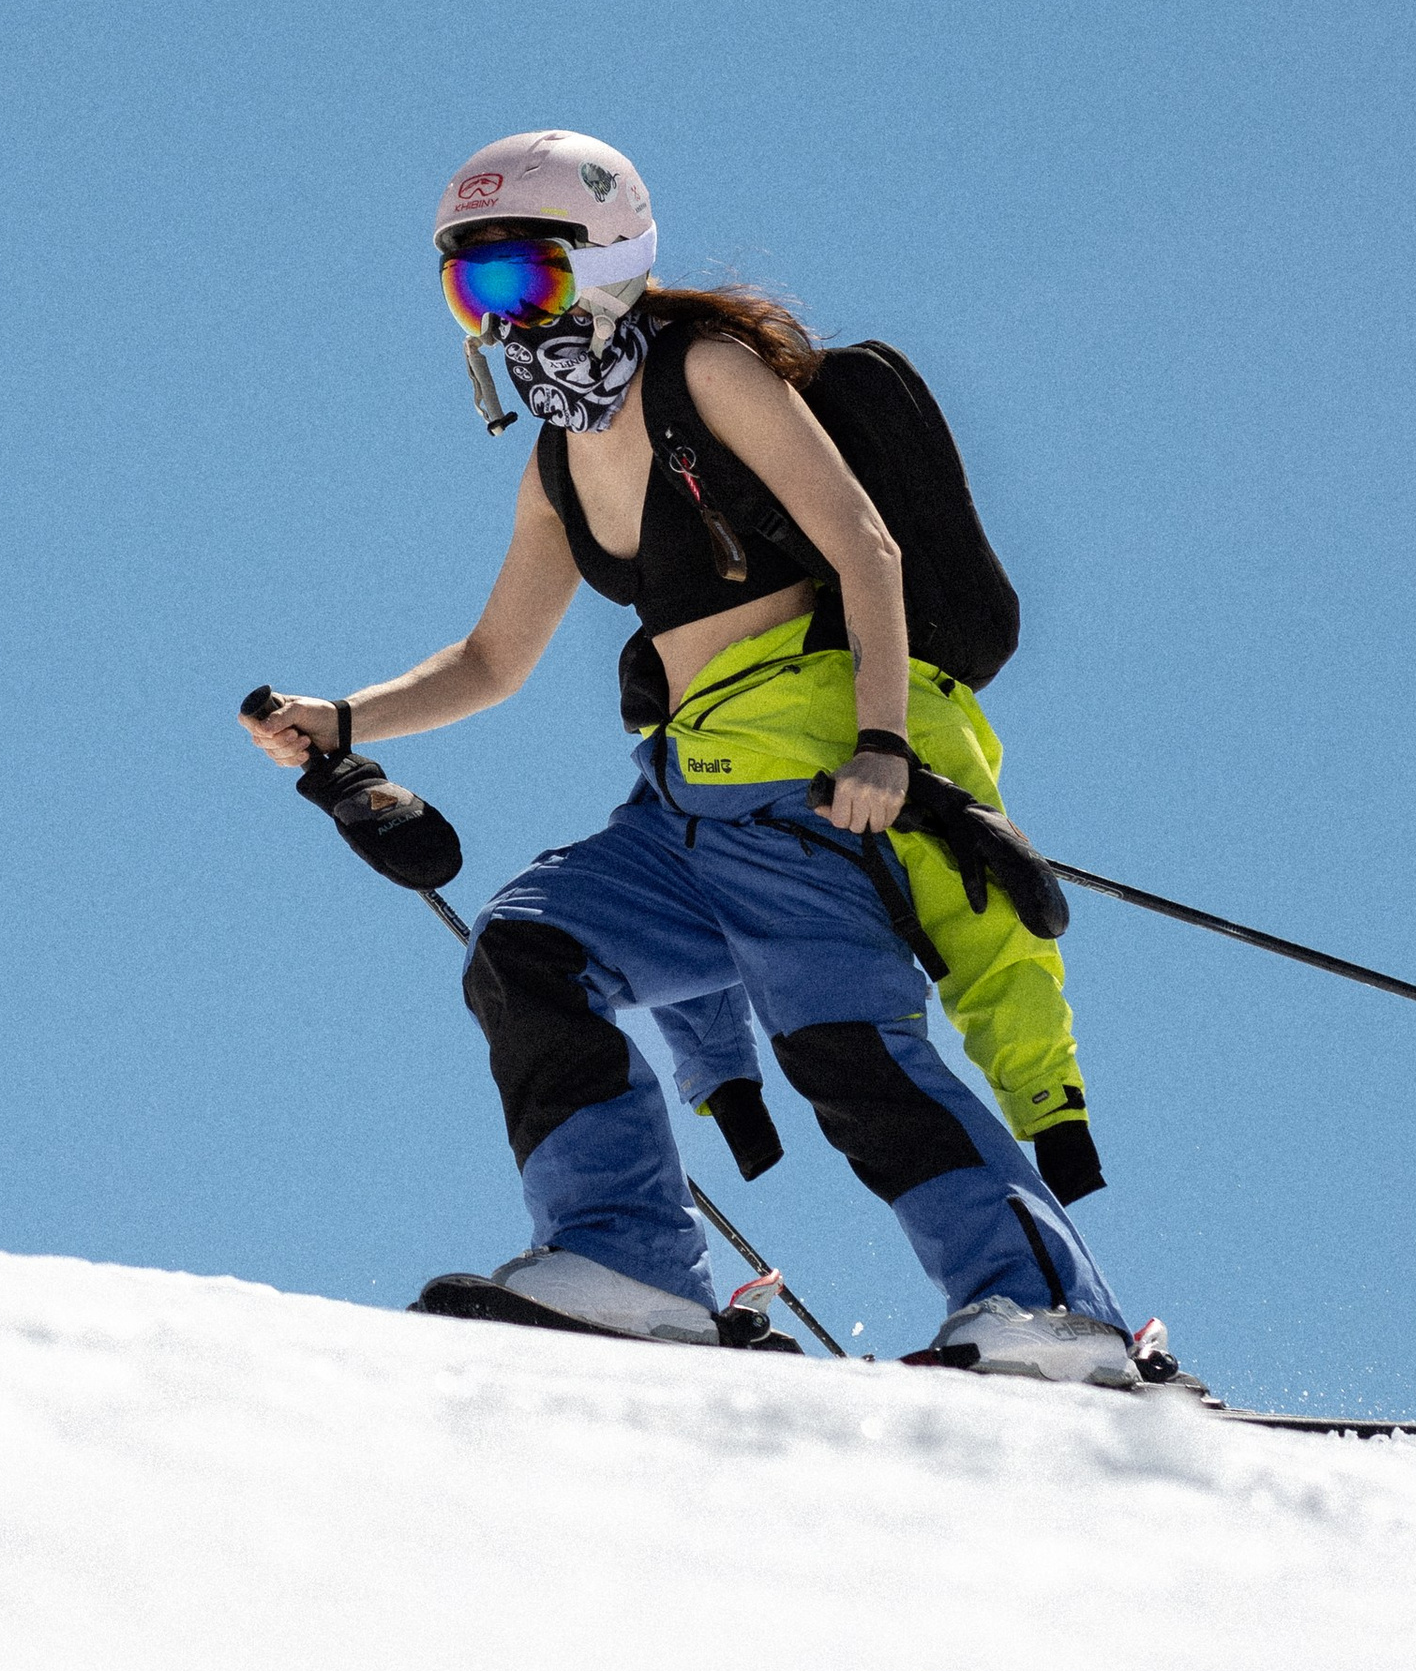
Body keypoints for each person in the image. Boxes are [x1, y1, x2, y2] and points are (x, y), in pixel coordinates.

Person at [245, 127, 1153, 1386]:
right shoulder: (560, 454)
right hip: (682, 806)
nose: (501, 316)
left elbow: (865, 548)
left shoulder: (705, 368)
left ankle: (1053, 1322)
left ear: (609, 253)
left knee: (844, 1050)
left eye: (521, 277)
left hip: (807, 785)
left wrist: (884, 746)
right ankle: (626, 1268)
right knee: (530, 954)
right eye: (471, 288)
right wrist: (343, 719)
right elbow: (494, 659)